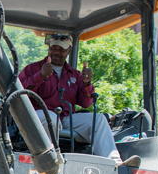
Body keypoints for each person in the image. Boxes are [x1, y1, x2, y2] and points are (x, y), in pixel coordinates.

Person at [19, 33, 124, 163]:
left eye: (61, 49)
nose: (56, 52)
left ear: (69, 51)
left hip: (67, 118)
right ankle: (50, 160)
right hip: (42, 115)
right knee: (51, 119)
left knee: (99, 119)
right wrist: (40, 76)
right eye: (54, 48)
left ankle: (114, 162)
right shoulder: (33, 68)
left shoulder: (75, 75)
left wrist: (87, 84)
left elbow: (86, 103)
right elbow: (19, 93)